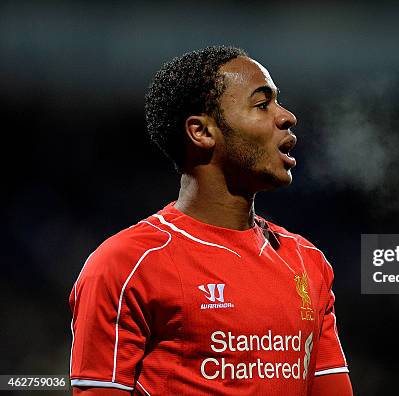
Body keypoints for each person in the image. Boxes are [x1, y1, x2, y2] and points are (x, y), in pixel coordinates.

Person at [69, 45, 352, 395]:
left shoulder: (307, 263)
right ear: (201, 132)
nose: (287, 116)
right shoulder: (125, 266)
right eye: (262, 104)